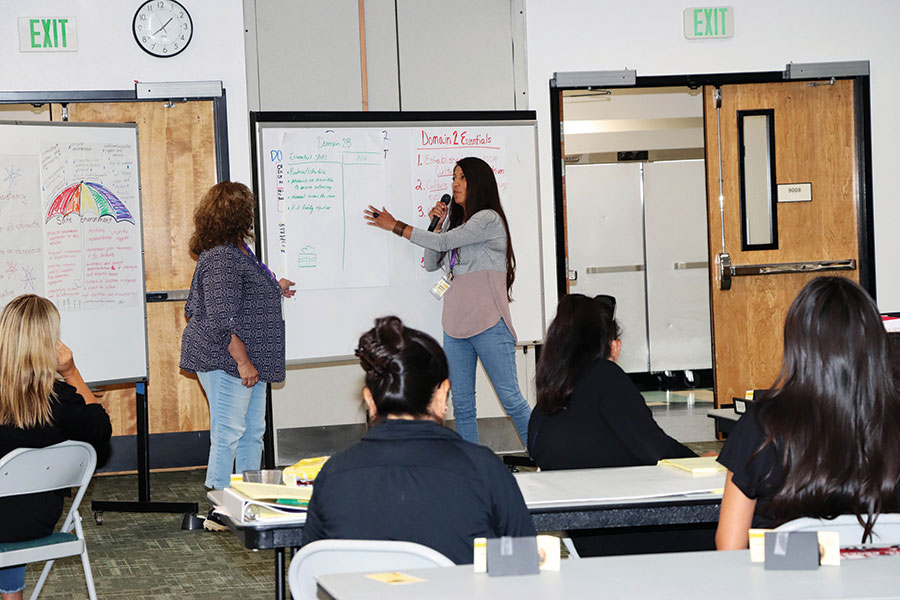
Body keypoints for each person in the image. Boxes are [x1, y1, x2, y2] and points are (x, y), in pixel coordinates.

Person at [301, 316, 535, 564]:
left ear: (370, 401)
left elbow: (313, 571)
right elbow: (523, 566)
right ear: (442, 396)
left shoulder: (334, 475)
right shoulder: (484, 470)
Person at [716, 277, 900, 550]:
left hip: (789, 579)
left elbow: (729, 545)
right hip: (881, 582)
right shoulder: (892, 421)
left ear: (797, 344)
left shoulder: (762, 424)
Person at [363, 157, 530, 445]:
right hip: (455, 328)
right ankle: (470, 468)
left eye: (462, 178)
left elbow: (440, 246)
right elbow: (431, 263)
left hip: (489, 324)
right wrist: (437, 225)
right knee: (463, 407)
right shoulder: (456, 224)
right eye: (454, 177)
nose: (455, 184)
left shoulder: (488, 219)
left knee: (511, 400)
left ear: (478, 183)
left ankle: (547, 458)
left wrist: (396, 226)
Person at [179, 181, 295, 531]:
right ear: (239, 214)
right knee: (228, 432)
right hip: (226, 358)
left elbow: (240, 297)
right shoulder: (221, 258)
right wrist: (243, 360)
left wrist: (276, 288)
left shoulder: (236, 250)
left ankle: (248, 498)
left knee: (251, 432)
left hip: (248, 359)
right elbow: (220, 318)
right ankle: (217, 508)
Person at [0, 295, 111, 600]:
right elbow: (101, 430)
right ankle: (12, 595)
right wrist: (72, 373)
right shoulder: (61, 400)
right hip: (39, 521)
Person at [528, 293, 695, 470]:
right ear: (612, 345)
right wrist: (695, 461)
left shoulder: (553, 383)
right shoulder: (605, 376)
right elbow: (653, 447)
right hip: (610, 490)